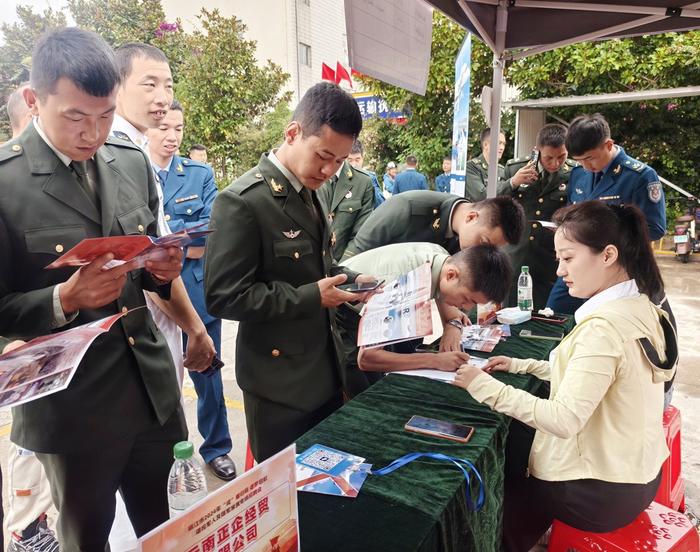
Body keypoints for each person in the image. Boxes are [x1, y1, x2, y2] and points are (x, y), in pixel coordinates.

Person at [0, 28, 189, 549]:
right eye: (76, 117)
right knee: (87, 535)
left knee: (164, 526)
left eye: (105, 115)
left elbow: (145, 261)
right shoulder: (6, 184)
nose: (93, 132)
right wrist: (64, 299)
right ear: (35, 100)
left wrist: (161, 269)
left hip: (149, 388)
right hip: (73, 409)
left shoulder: (129, 161)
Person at [453, 200, 676, 552]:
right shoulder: (645, 307)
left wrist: (481, 384)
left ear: (607, 255)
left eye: (568, 258)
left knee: (503, 445)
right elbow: (595, 376)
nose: (559, 271)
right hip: (640, 477)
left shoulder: (604, 327)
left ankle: (501, 540)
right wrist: (520, 366)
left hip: (600, 493)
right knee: (523, 428)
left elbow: (564, 419)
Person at [205, 82, 375, 462]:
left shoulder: (310, 190)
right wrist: (313, 297)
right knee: (283, 502)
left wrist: (352, 279)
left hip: (323, 369)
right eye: (323, 156)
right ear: (293, 133)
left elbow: (317, 266)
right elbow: (224, 295)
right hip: (278, 385)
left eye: (340, 162)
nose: (330, 170)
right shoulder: (243, 201)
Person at [112, 42, 215, 393]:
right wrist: (195, 329)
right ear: (117, 85)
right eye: (149, 84)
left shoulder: (138, 151)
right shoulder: (117, 153)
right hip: (139, 331)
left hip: (156, 324)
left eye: (168, 86)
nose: (162, 97)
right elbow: (150, 261)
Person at [147, 101, 235, 480]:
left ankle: (217, 448)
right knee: (158, 385)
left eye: (179, 128)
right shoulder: (131, 171)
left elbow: (207, 240)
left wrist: (159, 246)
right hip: (151, 300)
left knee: (209, 379)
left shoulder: (199, 175)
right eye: (164, 127)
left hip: (197, 297)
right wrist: (175, 242)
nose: (171, 136)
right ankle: (165, 456)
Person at [338, 243, 511, 396]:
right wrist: (434, 361)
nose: (466, 308)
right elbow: (367, 359)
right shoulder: (401, 284)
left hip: (372, 311)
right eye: (467, 299)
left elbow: (448, 304)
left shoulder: (442, 259)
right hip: (343, 314)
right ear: (451, 275)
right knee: (369, 392)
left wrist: (453, 324)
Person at [546, 114, 667, 314]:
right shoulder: (579, 174)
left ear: (609, 145)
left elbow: (655, 228)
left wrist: (606, 237)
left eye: (590, 158)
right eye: (579, 160)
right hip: (577, 266)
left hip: (617, 271)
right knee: (553, 317)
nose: (586, 166)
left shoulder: (639, 176)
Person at [502, 124, 578, 309]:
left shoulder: (575, 173)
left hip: (550, 257)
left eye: (561, 157)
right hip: (516, 254)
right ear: (537, 151)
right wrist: (513, 183)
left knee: (547, 315)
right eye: (549, 158)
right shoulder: (516, 168)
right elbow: (493, 204)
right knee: (512, 313)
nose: (555, 163)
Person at [340, 191, 525, 261]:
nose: (481, 251)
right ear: (471, 217)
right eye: (483, 242)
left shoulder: (463, 235)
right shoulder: (407, 209)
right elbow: (354, 256)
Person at [317, 151, 375, 262]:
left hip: (346, 262)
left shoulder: (363, 182)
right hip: (314, 265)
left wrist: (344, 266)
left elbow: (361, 233)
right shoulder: (310, 175)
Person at [465, 127, 509, 202]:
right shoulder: (471, 167)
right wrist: (512, 183)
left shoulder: (502, 170)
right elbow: (481, 196)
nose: (502, 147)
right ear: (485, 145)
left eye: (503, 144)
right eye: (499, 143)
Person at [346, 139, 384, 208]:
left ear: (362, 158)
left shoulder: (370, 177)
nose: (354, 165)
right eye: (350, 160)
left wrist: (367, 182)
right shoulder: (338, 179)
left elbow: (381, 206)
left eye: (357, 160)